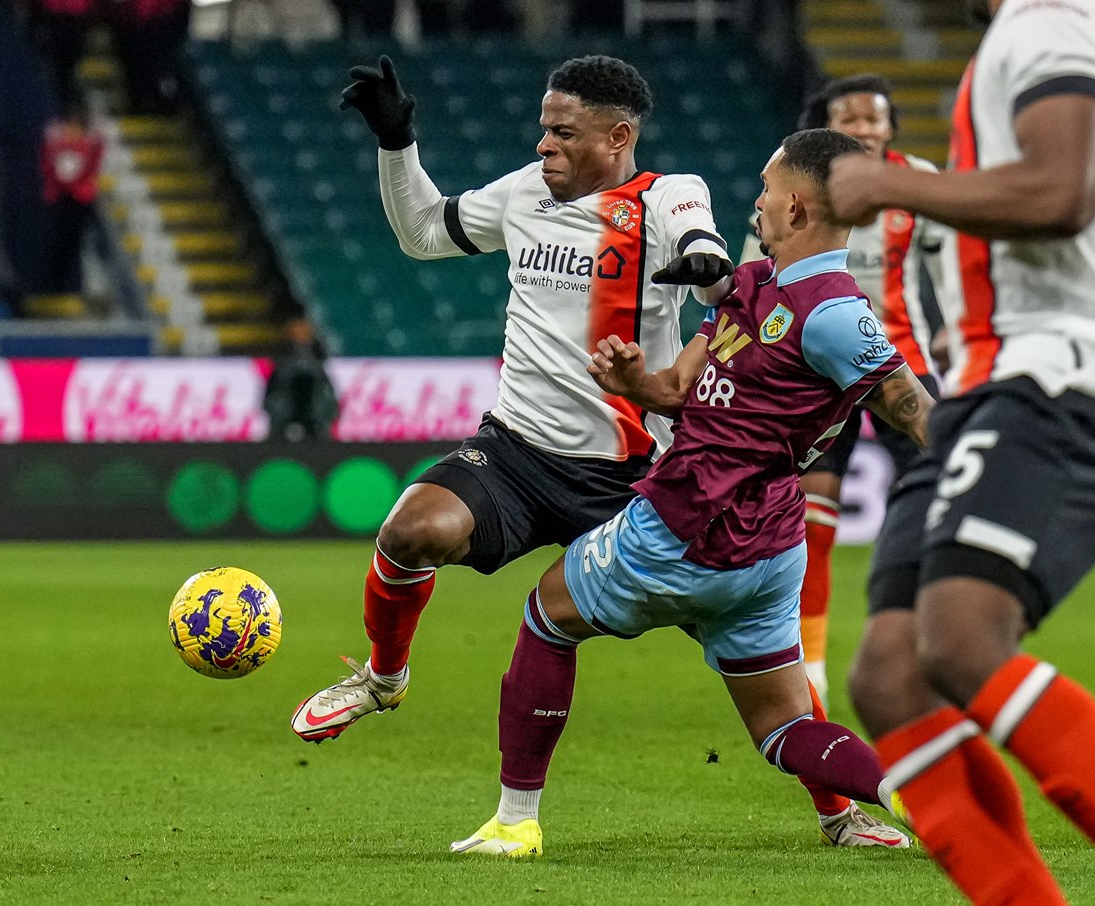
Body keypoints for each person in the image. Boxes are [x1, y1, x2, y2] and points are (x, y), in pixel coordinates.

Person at [827, 1, 1095, 904]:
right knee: (890, 675)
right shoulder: (1091, 26)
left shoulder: (1051, 19)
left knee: (962, 637)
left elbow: (1058, 193)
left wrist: (885, 186)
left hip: (1056, 384)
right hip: (997, 384)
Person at [449, 128, 933, 858]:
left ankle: (514, 822)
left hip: (683, 524)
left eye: (767, 190)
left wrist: (974, 476)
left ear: (797, 208)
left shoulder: (834, 309)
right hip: (768, 550)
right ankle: (913, 793)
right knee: (780, 730)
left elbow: (905, 402)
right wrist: (633, 384)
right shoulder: (753, 285)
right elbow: (678, 388)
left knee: (547, 615)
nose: (758, 203)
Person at [291, 55, 737, 742]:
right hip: (514, 453)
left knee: (733, 632)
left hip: (630, 472)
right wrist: (395, 144)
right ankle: (382, 678)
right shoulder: (526, 193)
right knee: (410, 531)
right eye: (543, 128)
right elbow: (422, 233)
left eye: (563, 132)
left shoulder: (665, 196)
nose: (543, 144)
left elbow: (706, 260)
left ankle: (836, 804)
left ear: (617, 138)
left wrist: (707, 263)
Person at [742, 74, 946, 705]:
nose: (863, 128)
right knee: (815, 518)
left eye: (873, 119)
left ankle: (941, 645)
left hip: (902, 362)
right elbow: (759, 271)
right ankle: (813, 663)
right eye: (848, 120)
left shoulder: (921, 183)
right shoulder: (792, 189)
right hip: (817, 371)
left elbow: (957, 268)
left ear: (890, 128)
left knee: (940, 502)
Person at [41, 99, 105, 293]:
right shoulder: (58, 143)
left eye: (76, 126)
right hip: (62, 199)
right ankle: (54, 285)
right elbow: (51, 169)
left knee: (82, 244)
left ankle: (87, 287)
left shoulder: (86, 144)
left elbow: (90, 166)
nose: (72, 130)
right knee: (58, 246)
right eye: (70, 125)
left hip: (80, 199)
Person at [263, 318, 340, 441]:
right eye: (297, 331)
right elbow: (271, 398)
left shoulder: (318, 365)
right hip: (285, 424)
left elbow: (328, 397)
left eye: (304, 331)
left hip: (314, 424)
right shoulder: (282, 365)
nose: (300, 335)